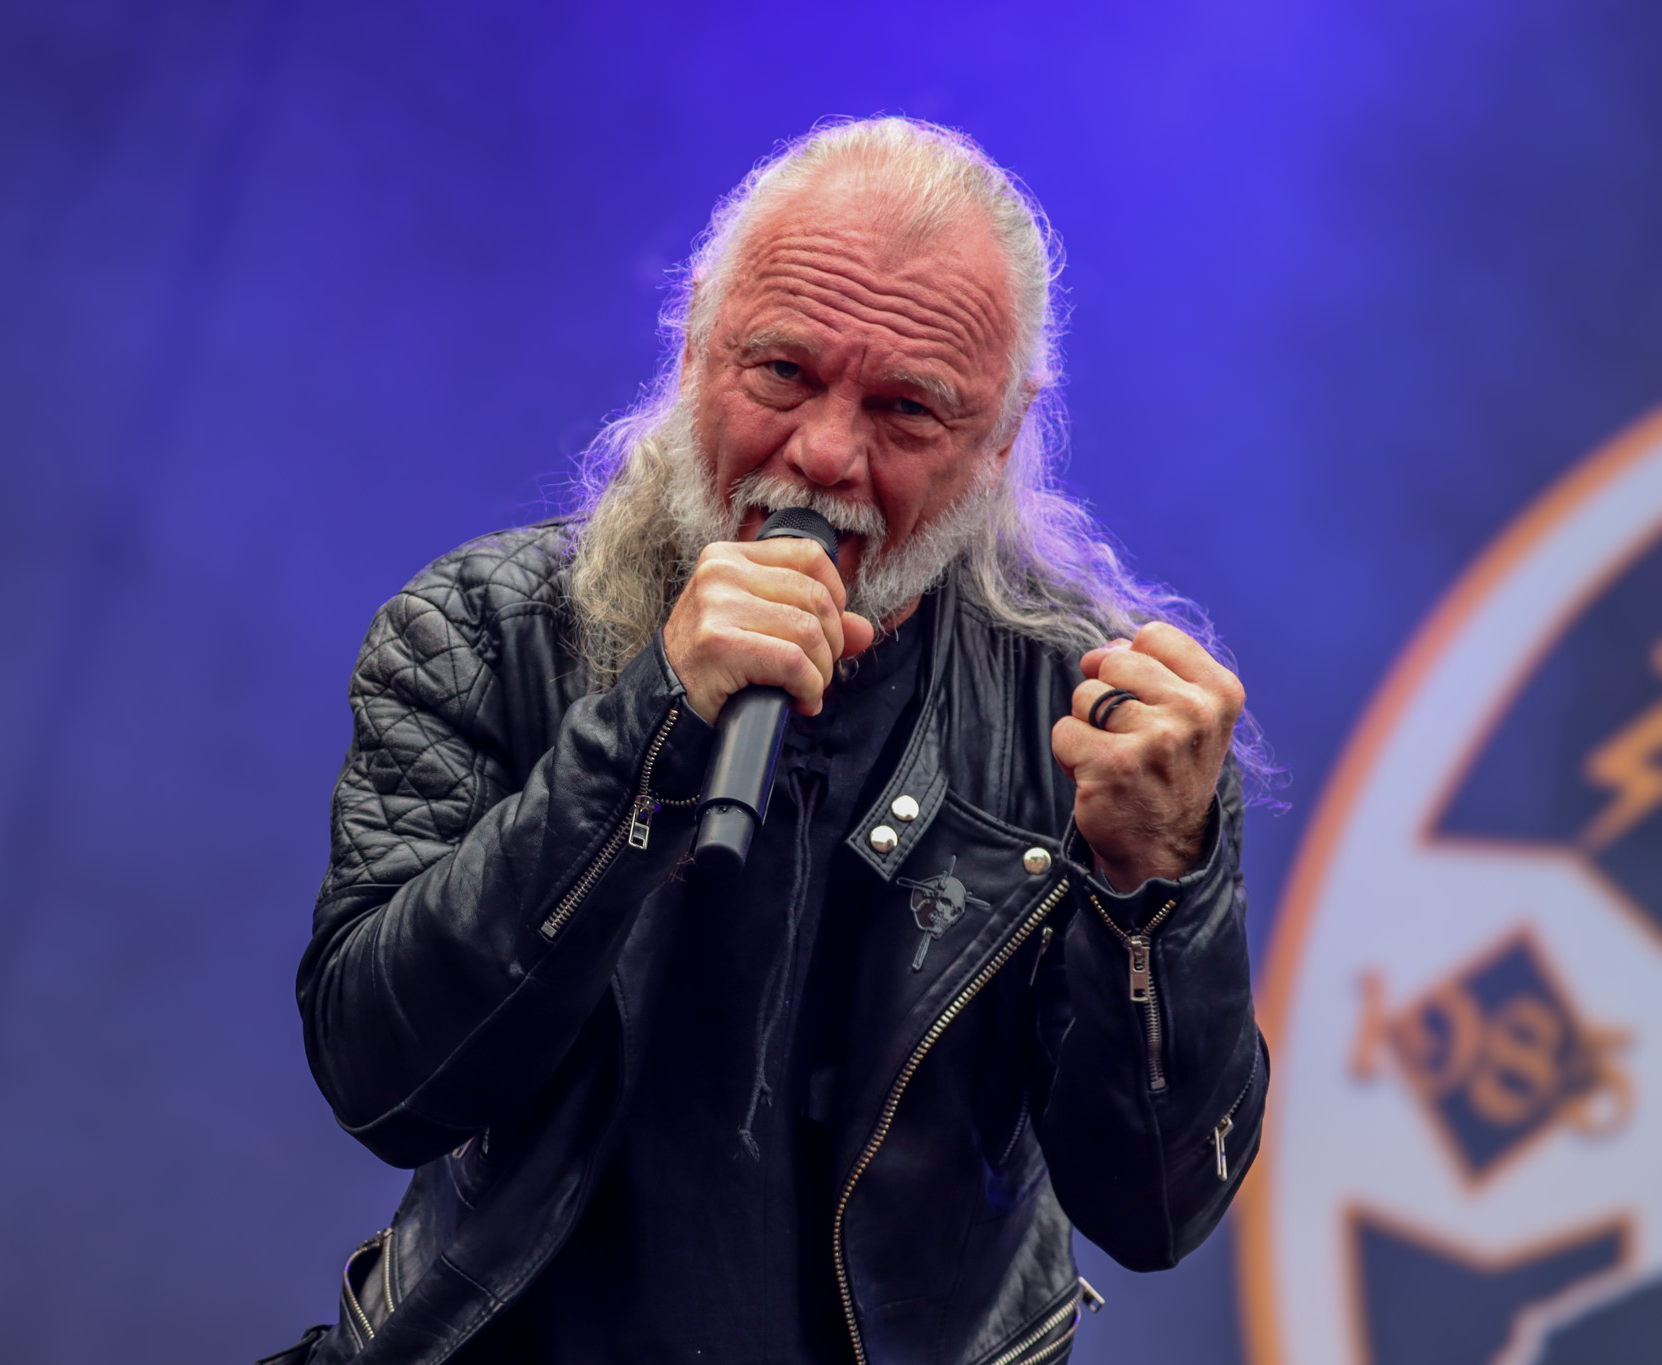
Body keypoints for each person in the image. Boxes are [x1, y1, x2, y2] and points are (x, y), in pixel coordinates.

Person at [272, 117, 1268, 1365]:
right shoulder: (482, 631)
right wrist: (651, 723)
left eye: (906, 407)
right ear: (695, 344)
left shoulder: (1092, 729)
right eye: (783, 372)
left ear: (1003, 439)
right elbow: (384, 1080)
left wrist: (1155, 892)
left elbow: (1158, 1210)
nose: (824, 454)